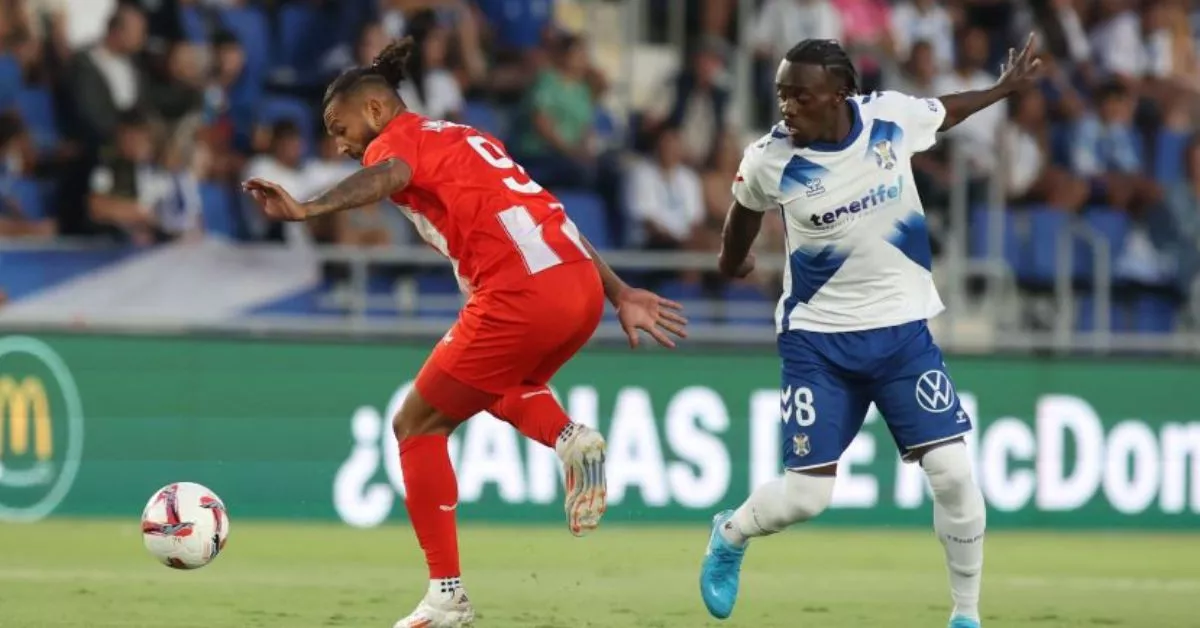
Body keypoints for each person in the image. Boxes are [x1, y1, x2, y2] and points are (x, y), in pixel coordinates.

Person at [241, 38, 687, 628]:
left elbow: (387, 175)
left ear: (374, 109)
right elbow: (551, 212)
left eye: (339, 127)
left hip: (520, 293)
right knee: (495, 388)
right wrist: (618, 292)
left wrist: (308, 208)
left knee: (415, 425)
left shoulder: (397, 141)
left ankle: (446, 596)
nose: (340, 144)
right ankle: (570, 438)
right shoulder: (465, 136)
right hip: (577, 284)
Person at [698, 35, 1044, 628]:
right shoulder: (769, 158)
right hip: (818, 341)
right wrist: (732, 264)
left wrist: (1002, 89)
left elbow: (946, 110)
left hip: (901, 335)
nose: (787, 107)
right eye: (781, 95)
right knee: (807, 497)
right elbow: (742, 214)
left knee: (954, 473)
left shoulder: (889, 118)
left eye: (800, 96)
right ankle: (729, 535)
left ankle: (965, 614)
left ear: (839, 95)